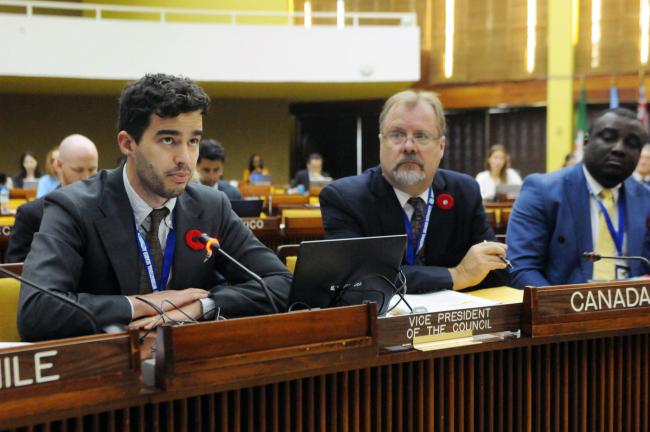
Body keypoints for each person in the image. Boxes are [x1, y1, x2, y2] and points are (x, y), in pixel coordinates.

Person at [18, 74, 291, 341]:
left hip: (190, 363)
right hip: (109, 369)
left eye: (193, 141)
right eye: (168, 140)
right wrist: (143, 304)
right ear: (127, 144)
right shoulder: (73, 207)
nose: (185, 158)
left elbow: (282, 283)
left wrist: (200, 307)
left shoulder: (211, 206)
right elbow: (37, 310)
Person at [320, 90, 510, 294]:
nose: (409, 146)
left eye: (421, 136)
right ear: (381, 143)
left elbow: (496, 272)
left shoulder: (464, 192)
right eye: (397, 135)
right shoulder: (345, 198)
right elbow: (355, 280)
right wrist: (456, 275)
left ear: (441, 146)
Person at [506, 108, 650, 288]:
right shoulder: (542, 191)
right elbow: (521, 268)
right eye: (608, 137)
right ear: (586, 142)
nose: (619, 149)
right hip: (564, 310)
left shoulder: (646, 198)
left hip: (633, 308)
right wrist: (561, 310)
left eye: (632, 143)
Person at [6, 134, 98, 263]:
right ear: (59, 166)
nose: (86, 178)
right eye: (78, 170)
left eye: (92, 170)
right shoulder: (31, 214)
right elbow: (16, 269)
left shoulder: (106, 208)